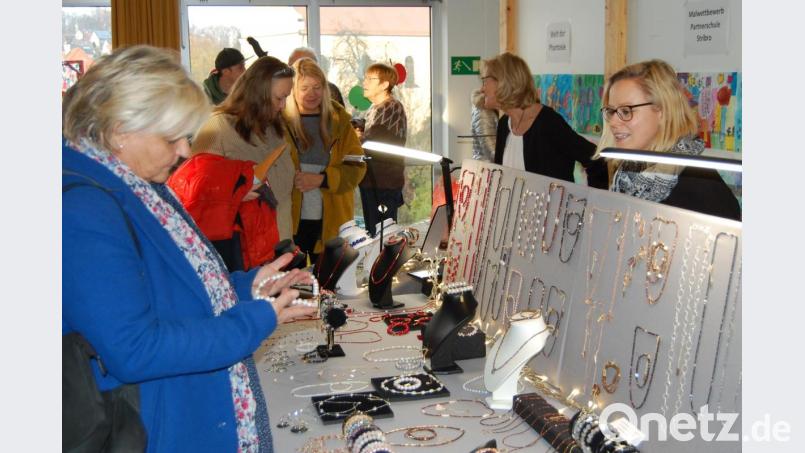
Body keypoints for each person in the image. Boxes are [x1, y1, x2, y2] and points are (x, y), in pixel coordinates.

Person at [62, 45, 318, 452]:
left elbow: (177, 290)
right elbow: (135, 349)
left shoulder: (140, 185)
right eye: (172, 137)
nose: (184, 150)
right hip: (156, 424)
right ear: (119, 131)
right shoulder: (82, 208)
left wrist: (249, 285)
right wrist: (254, 320)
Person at [596, 59, 741, 220]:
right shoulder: (629, 171)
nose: (613, 122)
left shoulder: (698, 186)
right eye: (611, 111)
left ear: (662, 111)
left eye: (626, 110)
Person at [192, 56, 297, 242]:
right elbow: (195, 190)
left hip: (280, 244)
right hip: (241, 250)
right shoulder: (217, 127)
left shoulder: (276, 128)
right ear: (257, 93)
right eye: (279, 98)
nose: (283, 106)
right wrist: (234, 194)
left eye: (286, 97)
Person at [482, 52, 607, 188]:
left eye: (485, 80)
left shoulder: (548, 123)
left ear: (503, 81)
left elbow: (596, 160)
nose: (482, 88)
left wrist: (592, 203)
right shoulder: (504, 124)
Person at [284, 58, 367, 260]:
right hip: (291, 221)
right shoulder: (279, 123)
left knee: (331, 286)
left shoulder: (340, 121)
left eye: (316, 87)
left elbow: (357, 166)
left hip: (333, 221)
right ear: (292, 90)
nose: (311, 94)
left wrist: (322, 179)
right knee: (296, 286)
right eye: (304, 88)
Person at [358, 62, 408, 236]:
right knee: (374, 235)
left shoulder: (391, 107)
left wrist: (355, 136)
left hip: (383, 184)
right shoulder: (374, 108)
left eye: (370, 79)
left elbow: (374, 140)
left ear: (385, 84)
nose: (364, 83)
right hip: (372, 181)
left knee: (383, 237)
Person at [470, 87, 498, 161]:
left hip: (489, 164)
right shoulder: (483, 112)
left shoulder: (490, 108)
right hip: (486, 167)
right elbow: (489, 147)